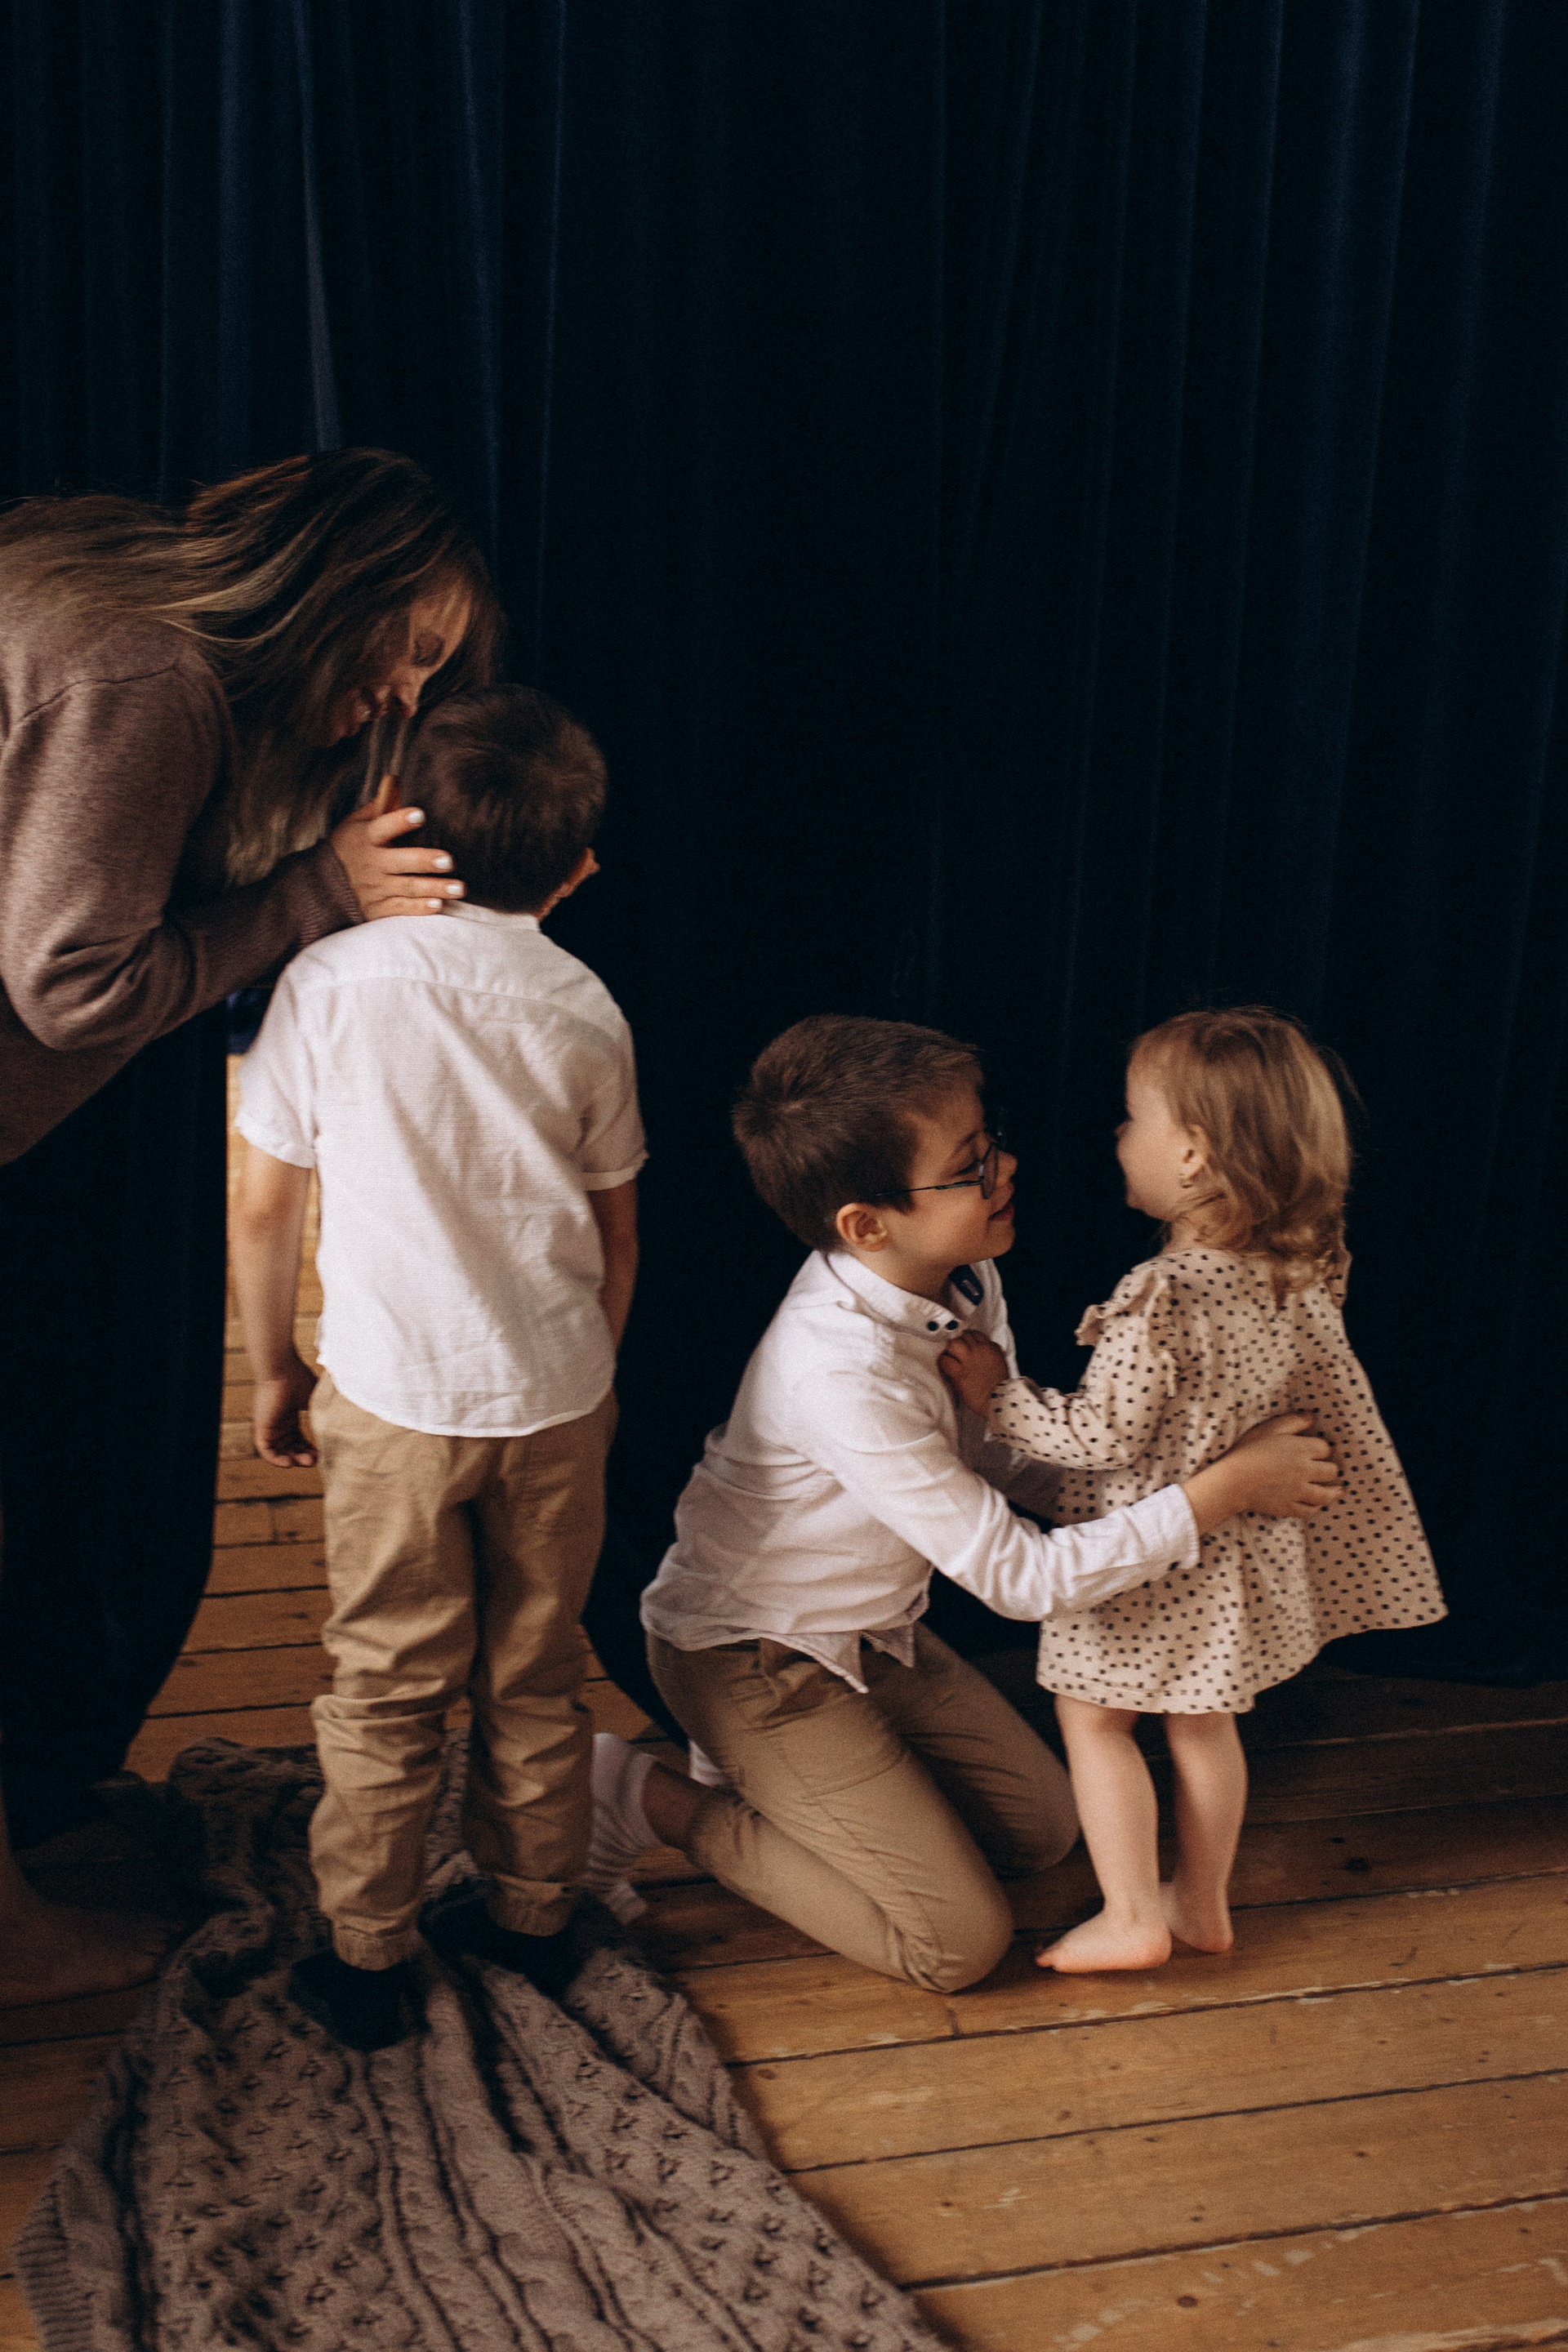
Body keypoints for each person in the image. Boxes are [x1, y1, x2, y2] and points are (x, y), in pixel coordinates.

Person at [0, 448, 499, 2007]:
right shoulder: (147, 676)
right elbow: (71, 983)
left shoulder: (93, 601)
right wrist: (316, 892)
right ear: (333, 585)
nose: (402, 692)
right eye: (408, 649)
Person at [585, 1015, 1339, 1994]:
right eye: (969, 1167)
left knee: (1043, 1833)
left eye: (991, 1143)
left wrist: (1171, 1492)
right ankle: (642, 1796)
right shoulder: (838, 1373)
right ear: (868, 1225)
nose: (1005, 1169)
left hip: (877, 1632)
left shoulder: (963, 1277)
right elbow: (1020, 1580)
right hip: (754, 1657)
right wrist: (1214, 1494)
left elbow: (999, 1459)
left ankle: (803, 1783)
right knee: (955, 1945)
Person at [231, 685, 643, 2051]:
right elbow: (615, 1231)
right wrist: (589, 1376)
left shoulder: (326, 984)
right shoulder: (586, 1007)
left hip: (396, 1400)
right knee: (535, 1673)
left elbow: (263, 1205)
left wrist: (275, 1368)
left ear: (397, 828)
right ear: (575, 870)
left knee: (388, 1681)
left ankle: (366, 1957)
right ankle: (532, 1920)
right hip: (558, 1396)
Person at [940, 1006, 1446, 1975]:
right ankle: (1202, 1903)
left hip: (1149, 1554)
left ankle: (1132, 1915)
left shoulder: (1164, 1298)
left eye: (1134, 1117)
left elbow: (1099, 1436)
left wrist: (997, 1395)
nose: (1117, 1134)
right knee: (1205, 1724)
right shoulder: (1299, 1267)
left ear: (1193, 1155)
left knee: (1094, 1721)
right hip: (1232, 1556)